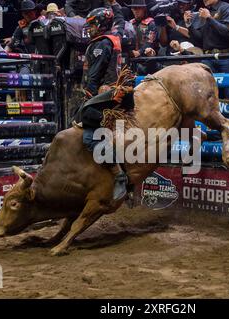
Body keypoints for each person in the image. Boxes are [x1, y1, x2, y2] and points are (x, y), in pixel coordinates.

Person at [77, 1, 130, 201]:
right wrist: (116, 6)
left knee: (90, 138)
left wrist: (88, 97)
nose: (89, 29)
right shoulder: (115, 36)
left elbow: (94, 75)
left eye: (91, 25)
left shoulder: (101, 44)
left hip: (105, 96)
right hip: (117, 92)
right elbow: (121, 21)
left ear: (100, 25)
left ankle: (118, 175)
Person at [187, 0, 229, 98]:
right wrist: (189, 25)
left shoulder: (226, 8)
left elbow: (228, 33)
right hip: (208, 57)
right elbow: (200, 41)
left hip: (226, 57)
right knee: (208, 94)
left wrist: (209, 18)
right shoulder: (204, 12)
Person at [128, 0, 160, 75]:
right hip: (132, 60)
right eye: (134, 8)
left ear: (144, 9)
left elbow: (150, 41)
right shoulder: (129, 23)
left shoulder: (151, 23)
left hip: (147, 61)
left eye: (138, 8)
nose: (136, 11)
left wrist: (139, 52)